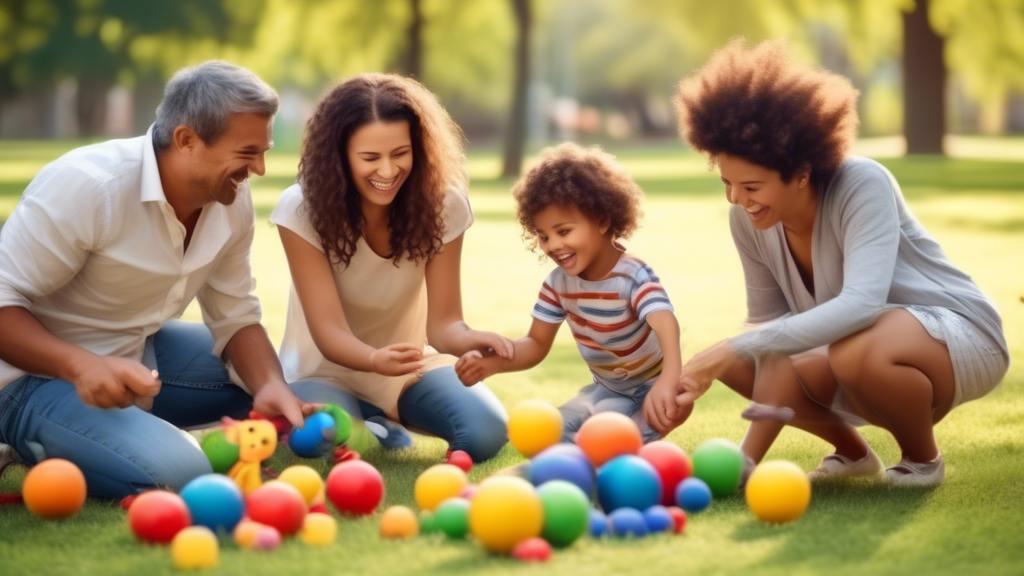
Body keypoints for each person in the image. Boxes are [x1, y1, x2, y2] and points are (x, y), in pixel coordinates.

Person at [671, 39, 1009, 486]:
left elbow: (862, 306)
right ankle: (853, 455)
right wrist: (746, 461)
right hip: (855, 346)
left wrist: (731, 346)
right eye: (727, 183)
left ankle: (921, 460)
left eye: (751, 186)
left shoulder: (861, 182)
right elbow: (770, 331)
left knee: (847, 351)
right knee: (742, 360)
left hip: (956, 335)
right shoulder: (746, 219)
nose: (737, 199)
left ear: (802, 173)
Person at [0, 61, 314, 498]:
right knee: (182, 472)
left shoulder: (230, 199)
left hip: (138, 354)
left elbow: (235, 315)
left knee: (278, 387)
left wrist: (271, 387)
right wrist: (83, 365)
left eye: (263, 150)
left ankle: (121, 435)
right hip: (27, 377)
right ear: (186, 140)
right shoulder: (90, 187)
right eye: (247, 153)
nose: (259, 168)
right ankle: (38, 438)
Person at [271, 73, 509, 463]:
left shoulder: (444, 205)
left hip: (409, 368)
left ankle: (382, 417)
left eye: (400, 153)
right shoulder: (301, 209)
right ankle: (372, 422)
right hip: (323, 370)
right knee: (320, 440)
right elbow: (328, 330)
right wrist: (374, 360)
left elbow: (445, 324)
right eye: (369, 158)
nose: (387, 171)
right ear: (339, 155)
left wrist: (472, 340)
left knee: (485, 433)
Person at [455, 143, 689, 442]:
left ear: (603, 221)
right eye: (543, 236)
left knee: (617, 438)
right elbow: (536, 343)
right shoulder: (558, 285)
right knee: (556, 433)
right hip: (608, 390)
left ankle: (634, 435)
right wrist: (492, 364)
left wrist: (668, 381)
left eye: (563, 231)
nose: (552, 245)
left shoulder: (632, 275)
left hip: (653, 386)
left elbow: (665, 322)